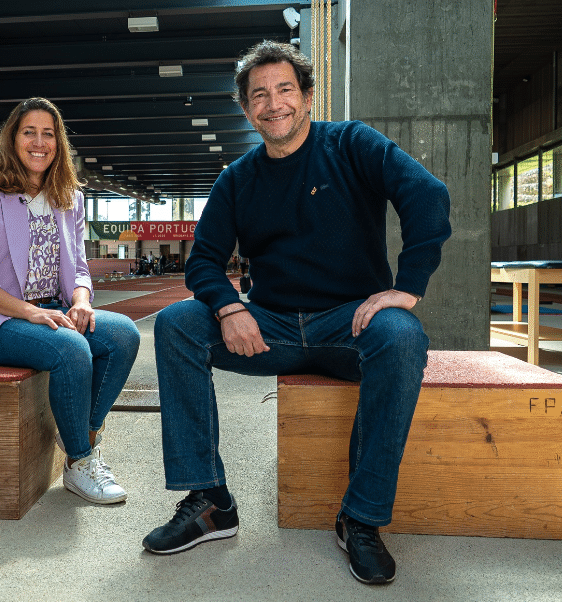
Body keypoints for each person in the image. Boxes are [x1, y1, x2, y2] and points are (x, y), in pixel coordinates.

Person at [141, 41, 452, 586]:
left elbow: (427, 194)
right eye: (259, 95)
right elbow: (204, 260)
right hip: (272, 329)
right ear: (246, 109)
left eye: (285, 89)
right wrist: (229, 307)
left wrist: (407, 289)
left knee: (402, 335)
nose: (273, 103)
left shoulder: (351, 144)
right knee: (175, 324)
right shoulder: (237, 179)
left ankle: (361, 518)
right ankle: (210, 501)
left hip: (351, 325)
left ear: (307, 97)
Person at [0, 97, 141, 504]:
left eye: (48, 134)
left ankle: (86, 435)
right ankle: (80, 463)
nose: (39, 142)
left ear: (58, 143)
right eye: (29, 132)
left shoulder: (68, 196)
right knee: (70, 348)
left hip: (53, 308)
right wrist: (32, 313)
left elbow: (80, 269)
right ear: (12, 139)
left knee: (123, 334)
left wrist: (81, 301)